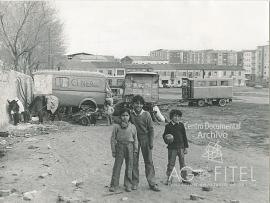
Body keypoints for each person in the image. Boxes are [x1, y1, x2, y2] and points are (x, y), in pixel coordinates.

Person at [129, 95, 160, 192]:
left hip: (145, 139)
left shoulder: (147, 115)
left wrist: (151, 142)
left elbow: (151, 129)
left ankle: (152, 183)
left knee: (149, 161)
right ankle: (134, 182)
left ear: (142, 104)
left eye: (140, 103)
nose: (138, 105)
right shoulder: (130, 115)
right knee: (134, 162)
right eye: (136, 103)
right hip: (134, 141)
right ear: (133, 104)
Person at [109, 108, 138, 192]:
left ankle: (128, 184)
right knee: (117, 166)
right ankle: (114, 185)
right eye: (123, 115)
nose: (125, 117)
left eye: (127, 115)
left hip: (130, 147)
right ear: (120, 116)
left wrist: (135, 149)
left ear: (129, 116)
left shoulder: (133, 127)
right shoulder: (116, 126)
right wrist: (113, 150)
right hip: (120, 147)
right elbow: (112, 138)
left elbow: (135, 139)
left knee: (129, 166)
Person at [162, 109, 189, 185]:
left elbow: (184, 136)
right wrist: (166, 138)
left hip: (181, 147)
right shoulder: (168, 126)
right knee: (171, 163)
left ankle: (184, 178)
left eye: (178, 116)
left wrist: (185, 147)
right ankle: (169, 178)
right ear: (171, 117)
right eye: (175, 116)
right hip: (172, 148)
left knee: (183, 163)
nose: (177, 118)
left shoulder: (181, 125)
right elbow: (164, 135)